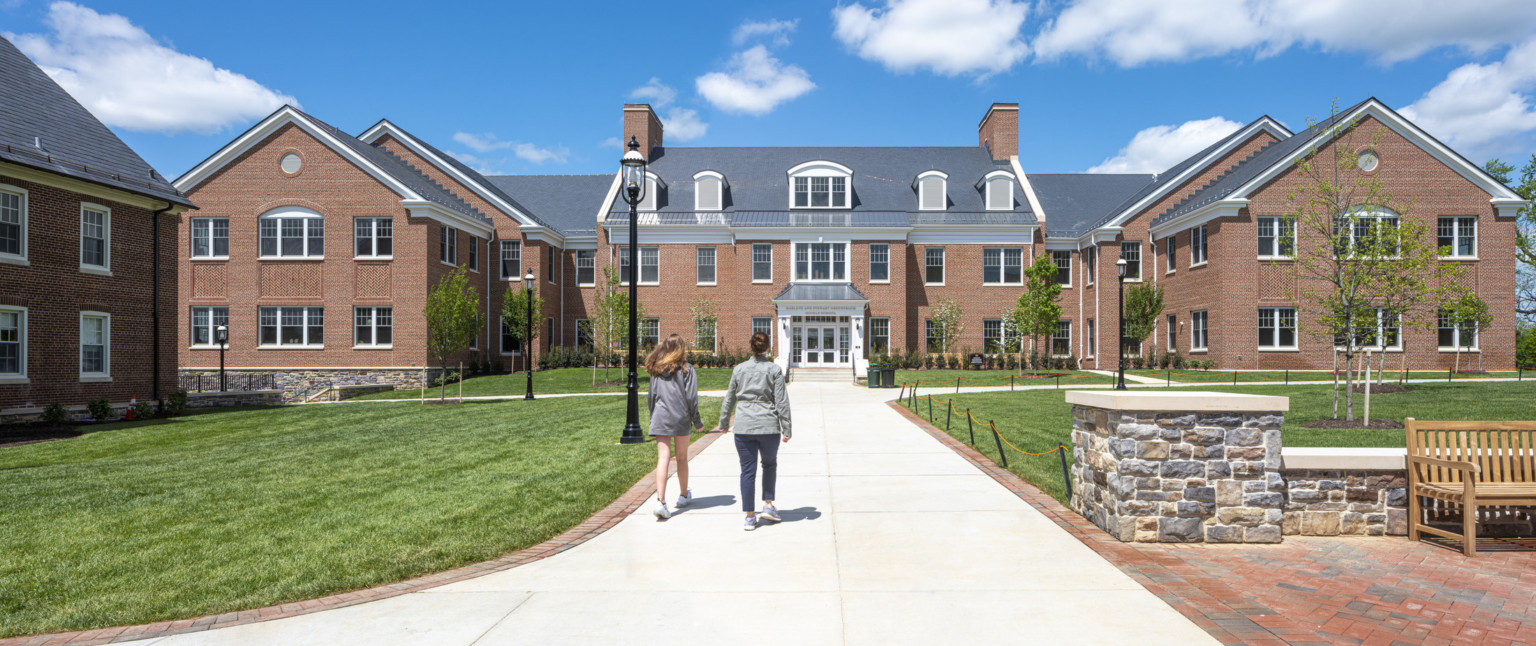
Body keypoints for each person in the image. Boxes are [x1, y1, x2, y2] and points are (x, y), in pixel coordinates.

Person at [717, 331, 792, 531]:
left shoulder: (739, 369)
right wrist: (787, 428)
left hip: (744, 426)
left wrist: (724, 422)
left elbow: (729, 398)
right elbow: (781, 401)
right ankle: (768, 505)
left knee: (747, 471)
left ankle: (750, 516)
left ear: (751, 347)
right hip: (768, 426)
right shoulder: (774, 370)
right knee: (769, 465)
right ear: (767, 348)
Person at [645, 334, 703, 520]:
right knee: (681, 457)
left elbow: (651, 396)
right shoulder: (687, 370)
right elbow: (691, 398)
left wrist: (653, 415)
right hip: (681, 417)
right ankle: (683, 495)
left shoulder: (656, 369)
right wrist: (697, 421)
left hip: (660, 416)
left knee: (663, 458)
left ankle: (660, 501)